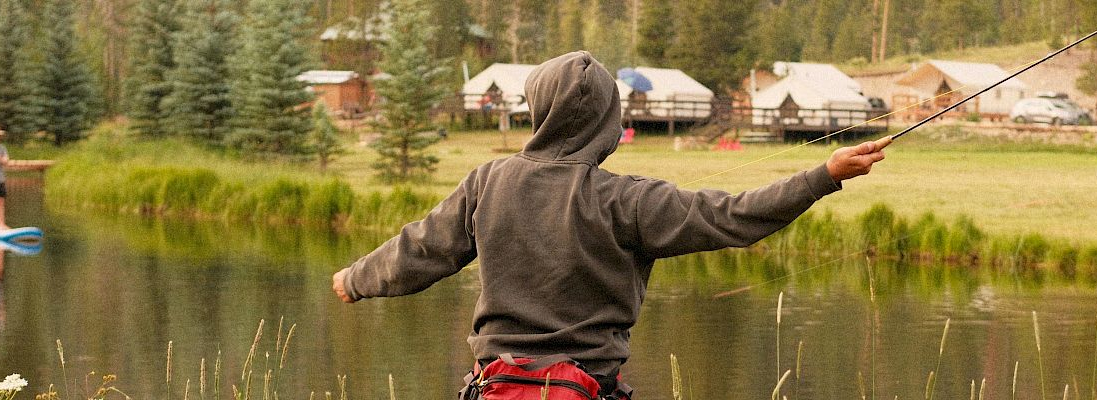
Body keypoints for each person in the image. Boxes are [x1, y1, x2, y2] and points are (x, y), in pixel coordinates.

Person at [330, 52, 889, 399]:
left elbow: (420, 251)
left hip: (494, 388)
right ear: (607, 121)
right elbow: (736, 217)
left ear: (539, 112)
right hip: (588, 389)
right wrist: (826, 174)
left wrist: (355, 279)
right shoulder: (630, 201)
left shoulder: (488, 181)